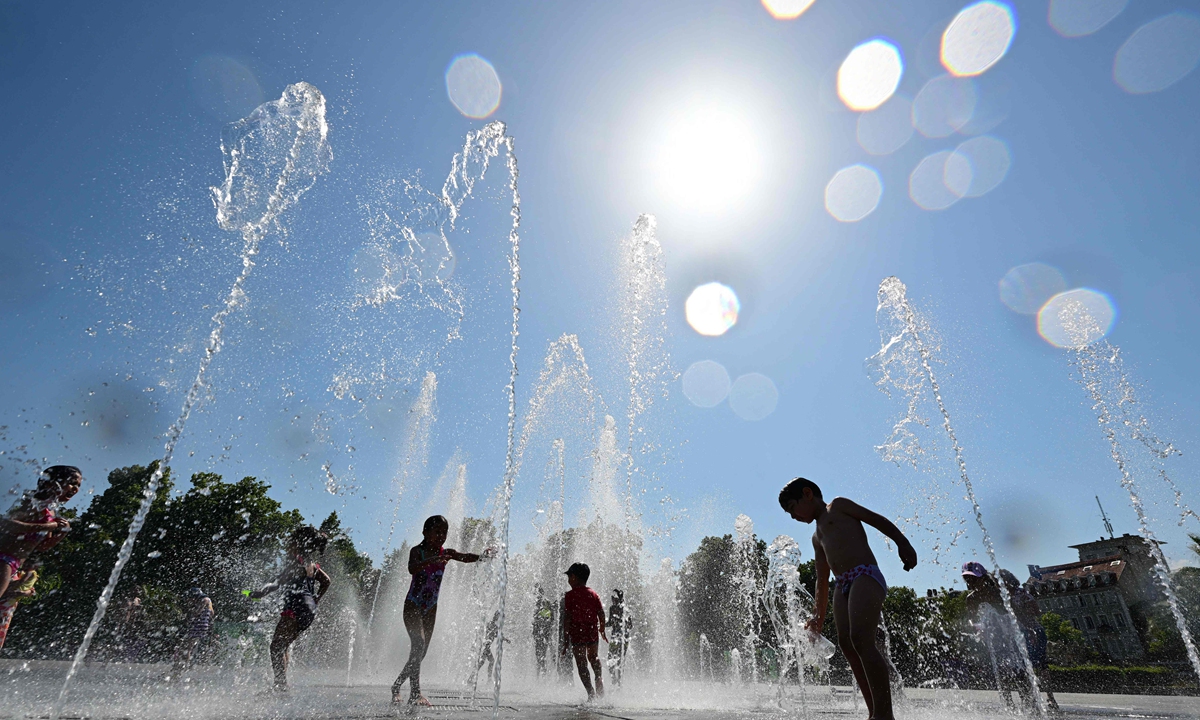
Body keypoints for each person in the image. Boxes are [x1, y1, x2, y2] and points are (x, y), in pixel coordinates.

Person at [779, 477, 916, 720]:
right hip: (842, 584)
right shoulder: (816, 538)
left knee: (861, 639)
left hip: (865, 574)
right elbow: (822, 580)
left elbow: (875, 519)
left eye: (792, 508)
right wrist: (816, 619)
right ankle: (874, 712)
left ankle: (885, 715)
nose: (792, 516)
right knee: (847, 645)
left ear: (807, 494)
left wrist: (902, 543)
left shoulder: (839, 506)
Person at [392, 515, 493, 706]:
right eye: (437, 531)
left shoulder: (446, 552)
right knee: (418, 644)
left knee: (420, 653)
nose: (441, 535)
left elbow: (464, 557)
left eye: (444, 532)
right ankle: (415, 694)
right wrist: (433, 559)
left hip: (431, 609)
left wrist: (483, 557)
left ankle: (396, 686)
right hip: (413, 605)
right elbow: (411, 568)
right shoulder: (417, 551)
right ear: (425, 532)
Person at [250, 525, 331, 691]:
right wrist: (316, 599)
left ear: (297, 542)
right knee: (282, 646)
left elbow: (277, 582)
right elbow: (327, 581)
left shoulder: (297, 560)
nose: (287, 542)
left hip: (296, 607)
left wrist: (260, 593)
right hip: (308, 610)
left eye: (291, 538)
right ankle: (280, 685)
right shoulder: (311, 564)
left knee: (275, 647)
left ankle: (280, 686)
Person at [0, 466, 81, 599]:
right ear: (52, 483)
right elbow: (7, 524)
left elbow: (41, 547)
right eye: (72, 483)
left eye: (78, 485)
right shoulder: (34, 503)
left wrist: (62, 533)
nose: (75, 488)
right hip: (3, 558)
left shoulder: (51, 512)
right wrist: (47, 526)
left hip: (14, 564)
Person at [559, 562, 607, 701]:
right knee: (594, 657)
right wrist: (602, 629)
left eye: (569, 576)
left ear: (574, 577)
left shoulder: (569, 596)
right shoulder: (593, 593)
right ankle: (598, 679)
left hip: (577, 632)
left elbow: (567, 618)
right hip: (591, 630)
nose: (568, 580)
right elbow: (601, 613)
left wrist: (566, 638)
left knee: (581, 663)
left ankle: (591, 693)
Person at [168, 587, 214, 680]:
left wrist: (192, 612)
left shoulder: (205, 599)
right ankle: (182, 667)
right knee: (186, 647)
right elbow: (212, 613)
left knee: (186, 647)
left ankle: (181, 668)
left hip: (198, 626)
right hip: (201, 626)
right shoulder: (208, 601)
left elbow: (197, 613)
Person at [0, 563, 38, 650]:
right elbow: (8, 590)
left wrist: (29, 592)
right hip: (4, 605)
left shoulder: (20, 573)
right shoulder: (8, 571)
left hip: (7, 608)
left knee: (1, 628)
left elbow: (31, 590)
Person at [476, 610, 508, 681]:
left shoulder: (492, 625)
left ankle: (477, 677)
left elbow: (497, 635)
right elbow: (492, 634)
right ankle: (477, 677)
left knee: (487, 661)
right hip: (486, 646)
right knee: (483, 662)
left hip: (486, 646)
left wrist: (505, 639)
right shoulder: (492, 625)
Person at [607, 588, 629, 687]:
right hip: (614, 637)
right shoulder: (612, 608)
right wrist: (601, 625)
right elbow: (610, 622)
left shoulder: (625, 609)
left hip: (623, 639)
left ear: (619, 598)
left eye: (614, 597)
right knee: (610, 659)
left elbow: (630, 625)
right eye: (612, 597)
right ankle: (613, 679)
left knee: (620, 660)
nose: (612, 599)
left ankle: (619, 683)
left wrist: (620, 621)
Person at [532, 585, 554, 677]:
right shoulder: (536, 604)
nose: (537, 595)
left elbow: (551, 617)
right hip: (538, 632)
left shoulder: (546, 603)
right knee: (538, 654)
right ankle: (538, 675)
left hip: (544, 632)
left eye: (538, 593)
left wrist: (544, 621)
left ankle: (543, 674)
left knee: (543, 654)